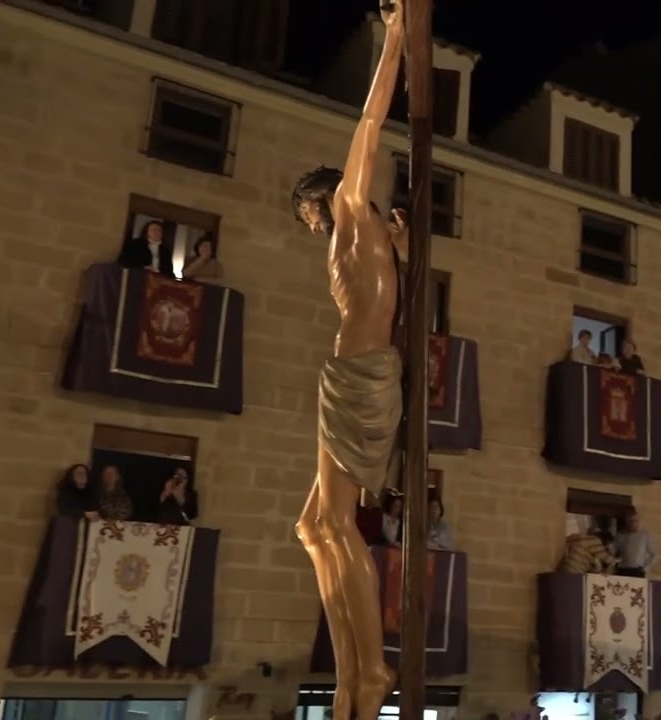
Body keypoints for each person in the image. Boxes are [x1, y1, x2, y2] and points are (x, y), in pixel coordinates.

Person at [288, 6, 405, 719]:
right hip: (354, 372)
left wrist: (393, 39)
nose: (306, 221)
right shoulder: (371, 243)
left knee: (335, 526)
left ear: (318, 198)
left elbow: (370, 125)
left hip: (359, 371)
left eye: (303, 210)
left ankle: (370, 669)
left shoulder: (352, 211)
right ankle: (350, 671)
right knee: (313, 527)